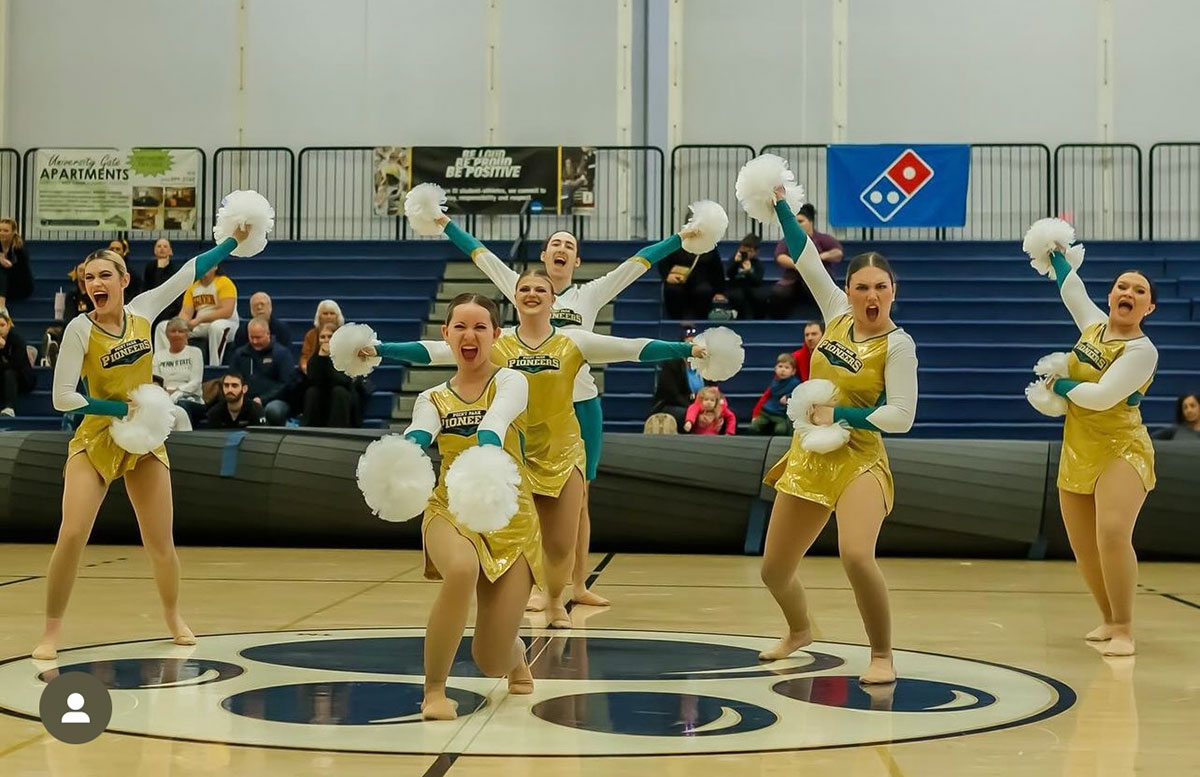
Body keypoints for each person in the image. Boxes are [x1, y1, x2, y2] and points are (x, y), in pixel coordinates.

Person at [357, 268, 711, 629]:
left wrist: (687, 349)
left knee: (560, 544)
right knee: (525, 538)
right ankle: (525, 601)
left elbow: (633, 348)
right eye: (523, 288)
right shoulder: (496, 339)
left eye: (539, 289)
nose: (531, 293)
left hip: (564, 450)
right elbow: (432, 351)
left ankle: (557, 599)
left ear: (552, 298)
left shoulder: (576, 341)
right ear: (514, 298)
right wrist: (381, 350)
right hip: (512, 455)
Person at [450, 218, 697, 608]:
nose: (561, 248)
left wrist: (680, 240)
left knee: (579, 500)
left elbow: (638, 263)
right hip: (529, 410)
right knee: (528, 499)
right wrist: (443, 222)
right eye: (555, 243)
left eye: (569, 244)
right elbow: (479, 254)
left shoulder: (590, 295)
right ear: (545, 255)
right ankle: (533, 585)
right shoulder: (521, 286)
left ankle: (576, 585)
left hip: (582, 407)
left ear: (576, 260)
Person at [36, 226, 250, 660]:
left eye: (104, 276)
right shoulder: (80, 329)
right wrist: (119, 412)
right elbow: (63, 397)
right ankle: (51, 631)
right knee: (72, 533)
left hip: (146, 438)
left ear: (123, 280)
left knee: (159, 542)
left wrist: (233, 242)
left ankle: (172, 616)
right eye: (89, 278)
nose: (95, 284)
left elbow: (189, 272)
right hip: (97, 436)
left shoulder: (143, 310)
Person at [759, 188, 917, 684]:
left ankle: (882, 654)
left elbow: (901, 416)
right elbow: (805, 258)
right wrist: (780, 205)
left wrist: (842, 414)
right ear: (848, 291)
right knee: (773, 570)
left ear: (893, 291)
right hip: (809, 455)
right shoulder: (835, 314)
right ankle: (800, 629)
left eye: (881, 288)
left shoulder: (899, 345)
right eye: (862, 287)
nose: (871, 296)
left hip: (860, 459)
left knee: (855, 554)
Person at [398, 293, 541, 720]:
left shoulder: (513, 381)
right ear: (446, 335)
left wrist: (489, 438)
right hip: (450, 510)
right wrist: (408, 447)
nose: (470, 334)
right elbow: (420, 429)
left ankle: (513, 656)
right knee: (461, 570)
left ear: (496, 335)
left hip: (511, 519)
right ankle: (434, 692)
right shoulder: (432, 398)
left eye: (480, 326)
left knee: (491, 659)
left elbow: (498, 417)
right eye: (460, 326)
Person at [1044, 247, 1159, 657]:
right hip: (1078, 447)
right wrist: (1054, 253)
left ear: (1149, 307)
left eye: (1139, 290)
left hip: (1122, 449)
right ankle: (1108, 618)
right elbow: (1071, 289)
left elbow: (1102, 396)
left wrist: (1056, 386)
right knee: (1083, 545)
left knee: (1112, 533)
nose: (1128, 292)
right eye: (1121, 286)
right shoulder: (1092, 326)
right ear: (1111, 296)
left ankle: (1125, 627)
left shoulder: (1143, 352)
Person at [154, 266, 239, 366]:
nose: (205, 267)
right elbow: (185, 313)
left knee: (216, 327)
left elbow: (227, 311)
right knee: (163, 327)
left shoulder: (224, 282)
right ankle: (165, 365)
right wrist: (181, 326)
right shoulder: (193, 286)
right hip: (201, 324)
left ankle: (215, 367)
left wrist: (200, 319)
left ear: (215, 267)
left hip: (227, 323)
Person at [771, 203, 843, 319]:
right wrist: (801, 264)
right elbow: (780, 256)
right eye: (796, 222)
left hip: (817, 278)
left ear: (811, 222)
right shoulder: (787, 240)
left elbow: (838, 252)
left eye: (801, 221)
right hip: (792, 279)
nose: (797, 225)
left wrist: (820, 258)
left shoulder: (823, 238)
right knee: (778, 293)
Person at [227, 317, 295, 426]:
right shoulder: (240, 354)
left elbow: (286, 384)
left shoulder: (282, 354)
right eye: (251, 337)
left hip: (275, 400)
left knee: (274, 411)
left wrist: (262, 399)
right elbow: (232, 377)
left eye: (258, 337)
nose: (254, 341)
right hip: (246, 399)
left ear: (268, 334)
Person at [649, 325, 706, 431]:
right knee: (687, 416)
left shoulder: (708, 365)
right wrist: (694, 410)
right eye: (689, 344)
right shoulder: (671, 364)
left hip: (703, 406)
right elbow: (672, 395)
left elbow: (713, 391)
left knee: (728, 414)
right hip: (672, 405)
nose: (693, 348)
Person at [302, 324, 359, 427]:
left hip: (343, 396)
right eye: (322, 337)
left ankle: (339, 430)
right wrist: (322, 358)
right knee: (312, 392)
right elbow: (312, 381)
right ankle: (310, 430)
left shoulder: (347, 357)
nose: (326, 340)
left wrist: (328, 359)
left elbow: (343, 381)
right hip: (322, 398)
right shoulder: (314, 359)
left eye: (330, 336)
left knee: (339, 391)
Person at [152, 317, 206, 425]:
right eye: (173, 331)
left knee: (180, 407)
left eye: (180, 331)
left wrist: (177, 390)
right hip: (165, 396)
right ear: (167, 335)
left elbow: (196, 381)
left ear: (187, 334)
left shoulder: (195, 352)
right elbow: (156, 381)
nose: (176, 334)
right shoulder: (158, 356)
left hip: (190, 398)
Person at [659, 242, 726, 320]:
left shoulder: (710, 248)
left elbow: (717, 271)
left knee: (704, 290)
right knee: (673, 290)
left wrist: (719, 291)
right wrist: (667, 276)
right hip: (678, 280)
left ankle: (700, 319)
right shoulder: (676, 245)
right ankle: (676, 320)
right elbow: (663, 263)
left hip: (702, 281)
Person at [750, 353, 803, 435]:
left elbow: (799, 394)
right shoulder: (775, 381)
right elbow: (768, 396)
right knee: (754, 427)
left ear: (793, 371)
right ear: (775, 368)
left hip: (780, 414)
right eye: (780, 366)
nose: (783, 370)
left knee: (781, 430)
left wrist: (788, 397)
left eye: (787, 367)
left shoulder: (795, 383)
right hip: (767, 412)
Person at [0, 309, 36, 417]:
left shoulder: (17, 340)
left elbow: (17, 364)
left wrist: (2, 349)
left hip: (23, 378)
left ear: (9, 325)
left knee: (9, 373)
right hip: (3, 378)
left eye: (2, 325)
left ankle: (9, 407)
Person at [726, 234, 768, 320]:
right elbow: (729, 274)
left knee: (760, 296)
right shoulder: (734, 260)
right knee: (737, 296)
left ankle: (758, 319)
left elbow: (758, 280)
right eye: (743, 249)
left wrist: (748, 272)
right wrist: (736, 263)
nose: (746, 253)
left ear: (756, 252)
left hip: (752, 286)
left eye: (750, 251)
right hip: (736, 286)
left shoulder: (757, 263)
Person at [142, 238, 182, 327]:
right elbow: (147, 288)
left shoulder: (175, 269)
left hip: (169, 306)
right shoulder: (150, 267)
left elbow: (163, 291)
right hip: (152, 304)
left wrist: (160, 269)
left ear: (170, 251)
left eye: (165, 246)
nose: (162, 248)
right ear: (155, 250)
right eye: (159, 246)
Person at [0, 218, 33, 308]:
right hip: (3, 286)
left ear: (13, 232)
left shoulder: (19, 248)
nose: (2, 233)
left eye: (6, 231)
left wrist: (6, 264)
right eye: (0, 230)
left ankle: (1, 307)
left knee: (1, 270)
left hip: (19, 285)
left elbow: (21, 272)